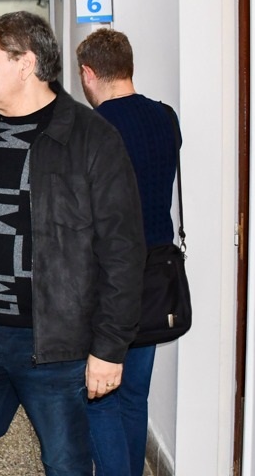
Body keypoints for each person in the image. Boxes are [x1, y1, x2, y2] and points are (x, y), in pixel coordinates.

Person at [0, 11, 145, 476]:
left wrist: (109, 347)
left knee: (65, 462)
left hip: (56, 343)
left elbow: (122, 252)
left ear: (26, 64)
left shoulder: (92, 138)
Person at [77, 28, 180, 476]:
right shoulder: (165, 117)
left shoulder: (92, 129)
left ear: (88, 73)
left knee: (99, 398)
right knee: (134, 395)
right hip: (156, 276)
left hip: (107, 282)